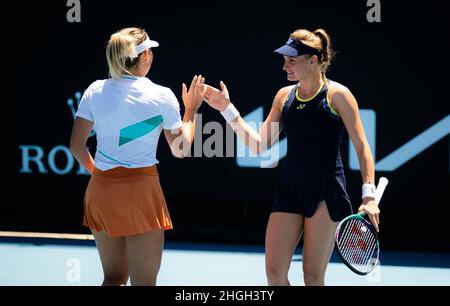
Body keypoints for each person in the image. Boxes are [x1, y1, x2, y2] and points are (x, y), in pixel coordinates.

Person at [202, 28, 379, 286]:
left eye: (292, 60)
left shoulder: (338, 96)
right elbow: (260, 144)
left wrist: (369, 194)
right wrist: (227, 109)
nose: (285, 66)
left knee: (312, 276)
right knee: (274, 276)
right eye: (284, 59)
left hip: (326, 193)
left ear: (314, 60)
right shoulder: (284, 96)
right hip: (290, 190)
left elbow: (362, 146)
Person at [69, 27, 204, 286]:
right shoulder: (162, 95)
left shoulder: (95, 90)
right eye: (150, 50)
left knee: (113, 277)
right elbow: (181, 149)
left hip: (101, 191)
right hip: (141, 192)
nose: (152, 55)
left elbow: (77, 146)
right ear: (143, 57)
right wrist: (191, 111)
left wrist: (101, 176)